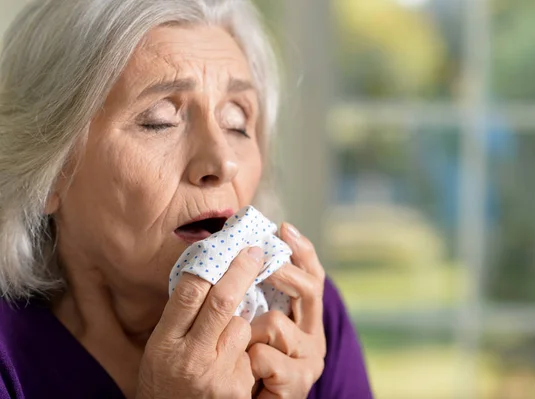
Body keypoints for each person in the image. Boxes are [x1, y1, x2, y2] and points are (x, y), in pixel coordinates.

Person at [0, 1, 372, 398]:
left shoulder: (303, 318)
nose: (222, 161)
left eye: (236, 123)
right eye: (160, 120)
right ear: (47, 171)